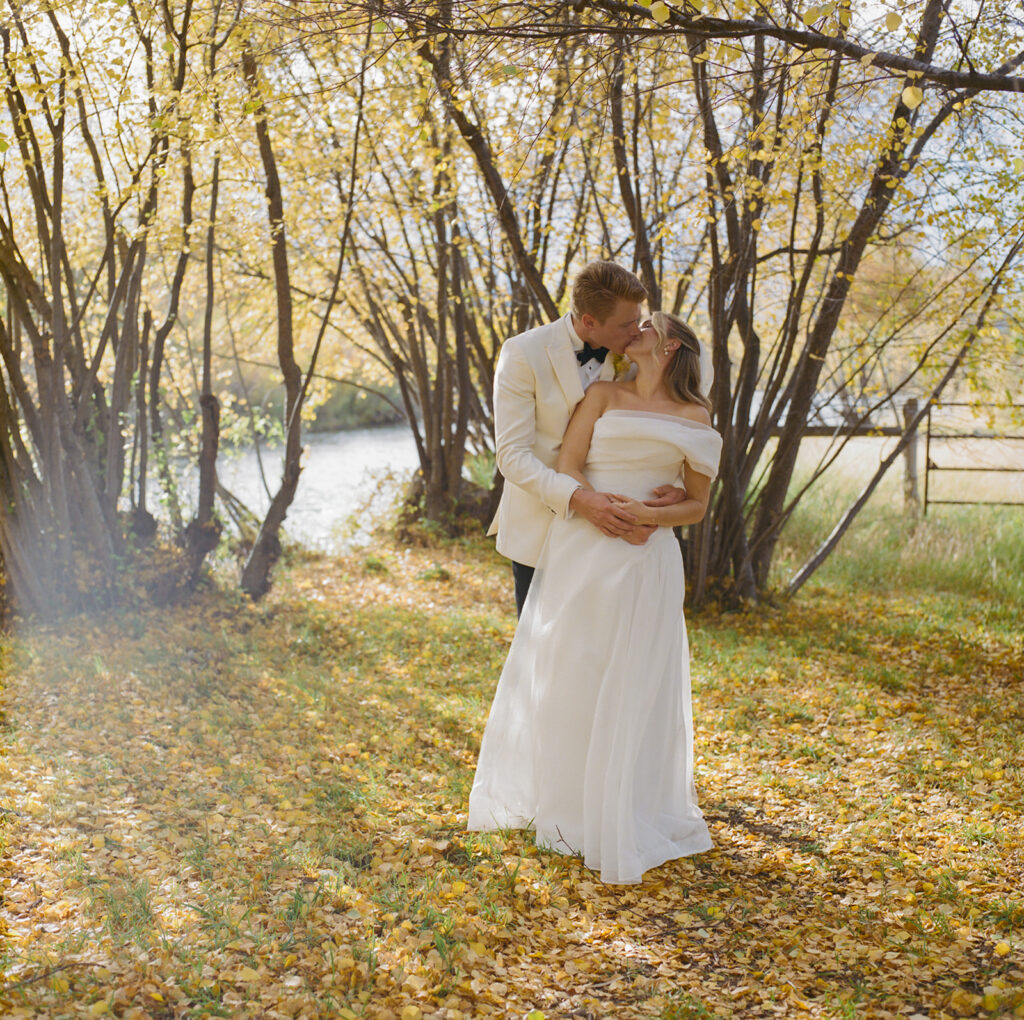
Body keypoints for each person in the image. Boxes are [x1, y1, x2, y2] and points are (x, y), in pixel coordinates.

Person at [468, 311, 722, 884]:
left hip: (646, 558)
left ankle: (627, 803)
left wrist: (652, 515)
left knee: (635, 677)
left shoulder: (696, 414)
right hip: (585, 546)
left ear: (674, 343)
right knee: (572, 669)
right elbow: (568, 463)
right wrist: (602, 507)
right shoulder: (603, 392)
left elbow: (698, 506)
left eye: (648, 325)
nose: (635, 330)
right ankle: (569, 809)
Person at [486, 261, 686, 616]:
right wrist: (580, 500)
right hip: (540, 528)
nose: (636, 330)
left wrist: (679, 483)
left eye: (638, 319)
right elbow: (512, 456)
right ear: (589, 321)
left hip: (615, 534)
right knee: (539, 655)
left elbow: (664, 424)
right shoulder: (522, 353)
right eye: (627, 324)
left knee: (597, 649)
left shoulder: (639, 356)